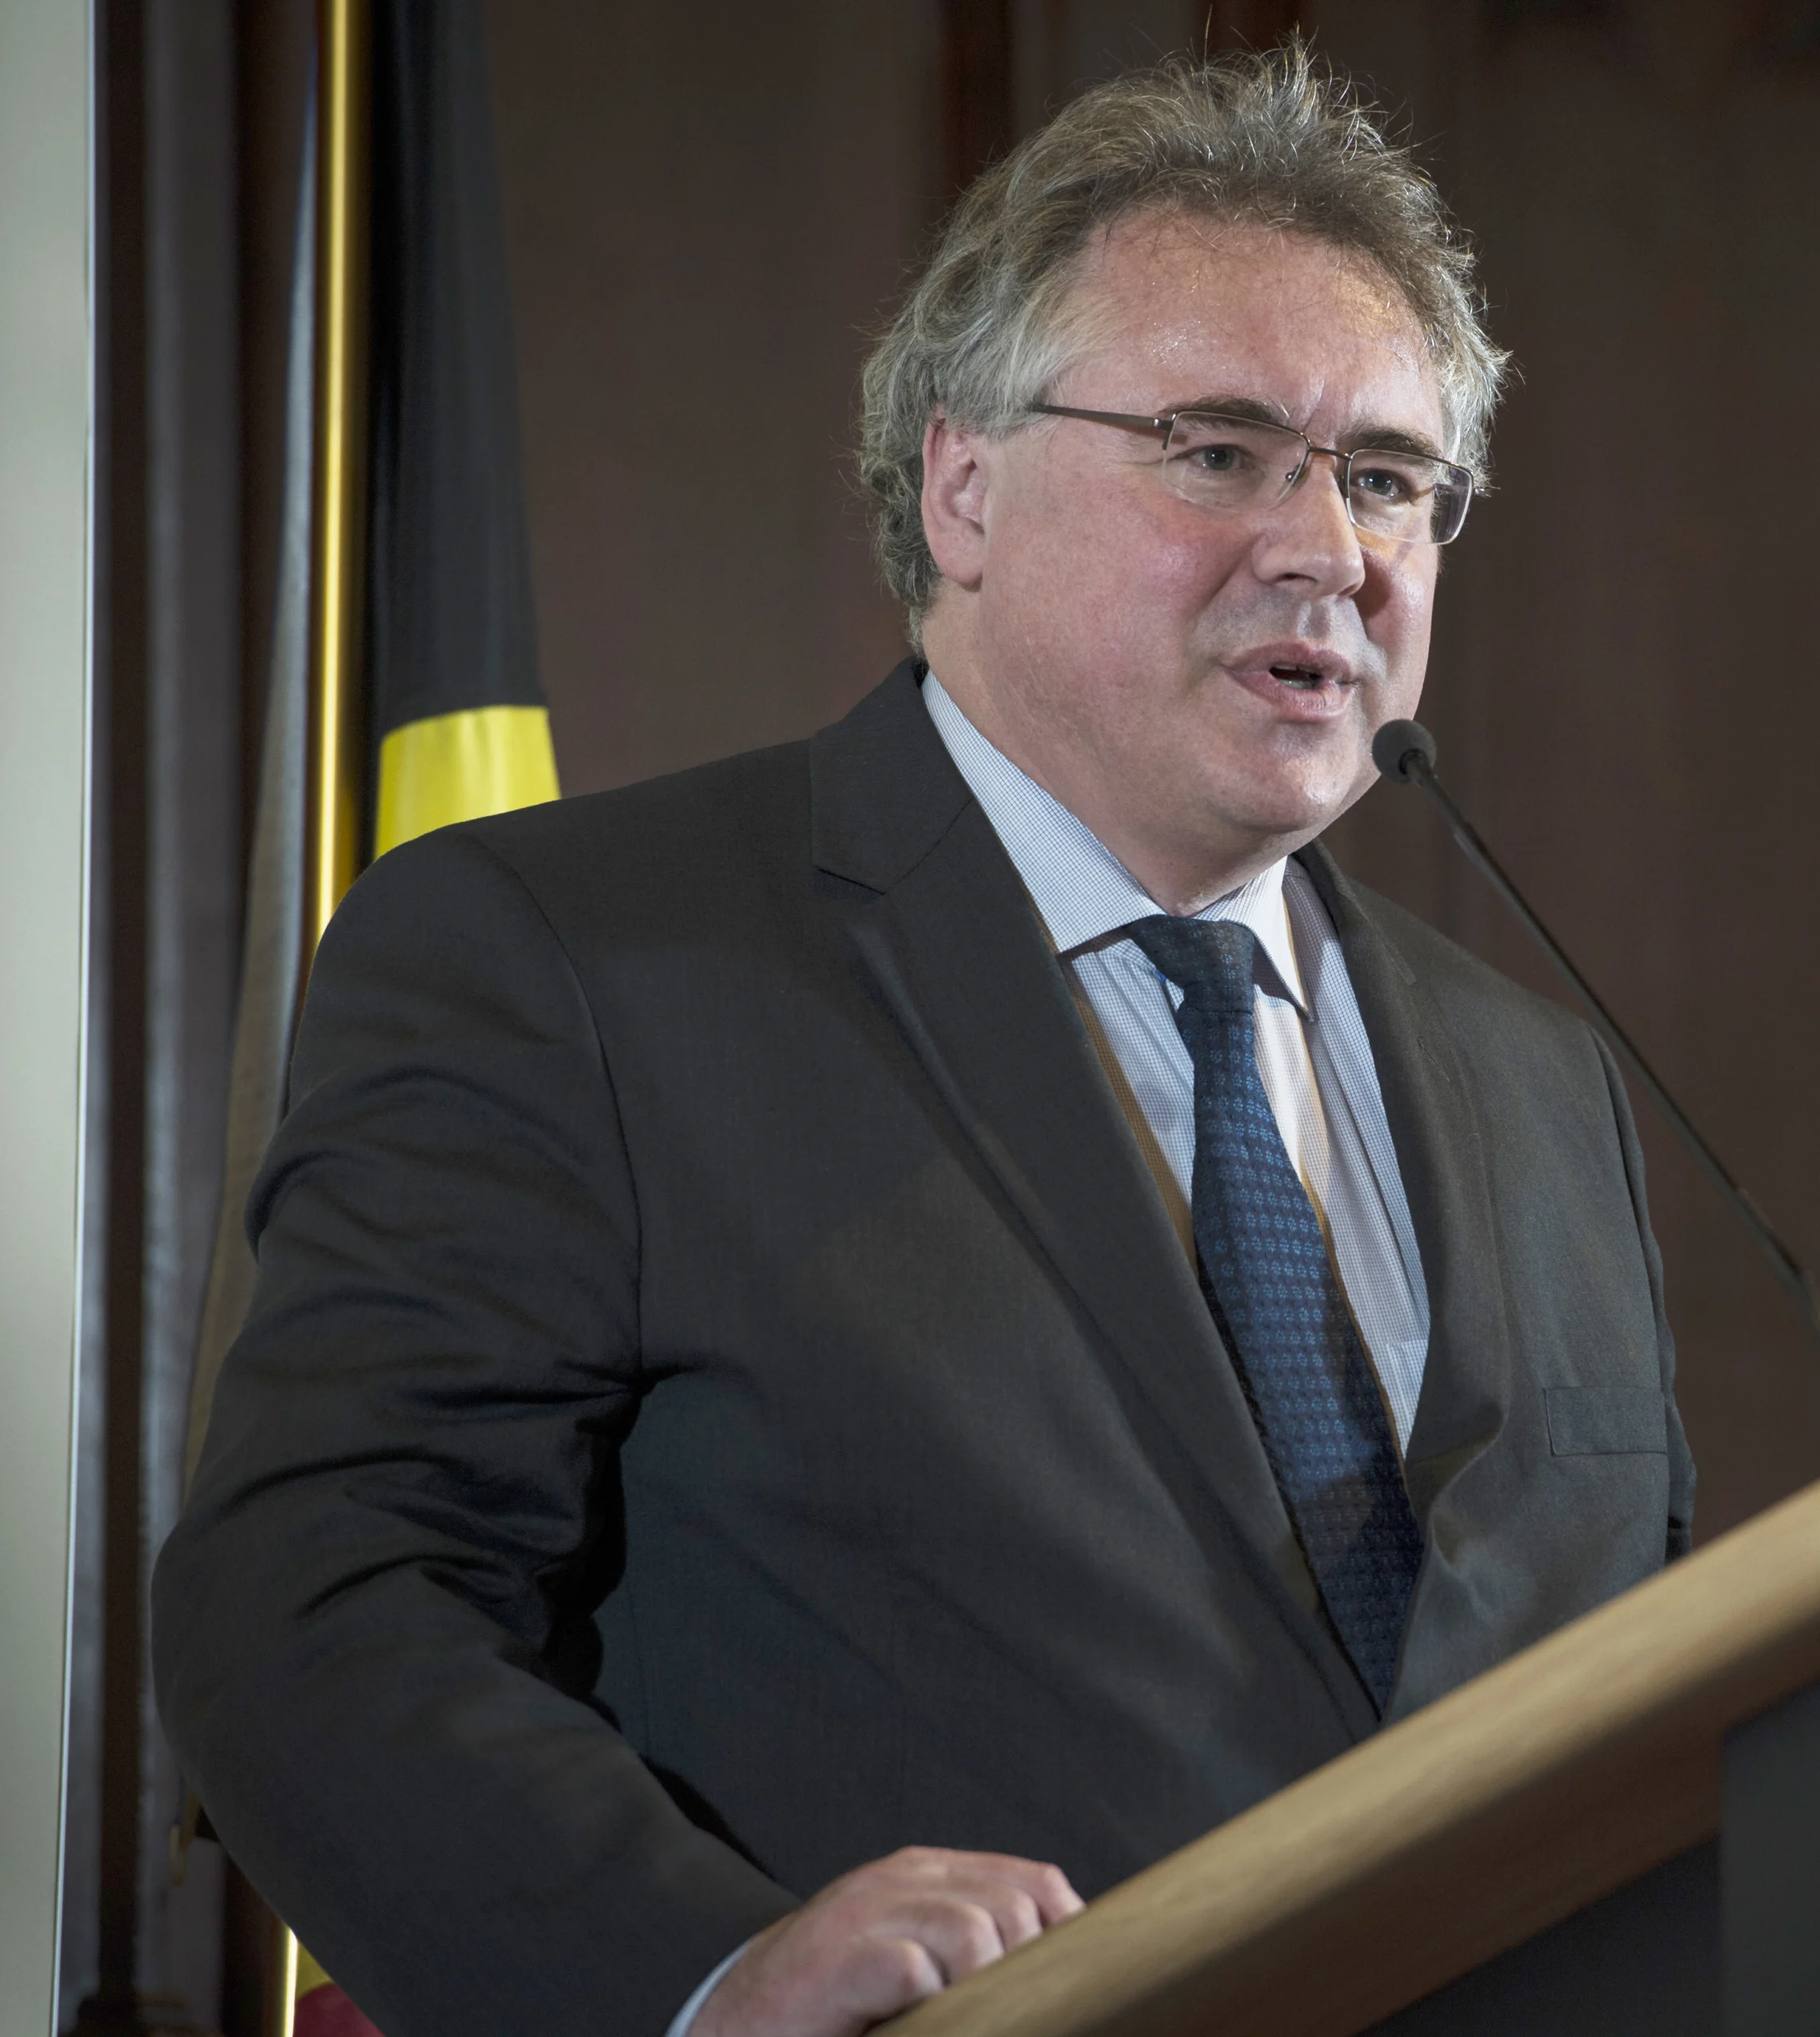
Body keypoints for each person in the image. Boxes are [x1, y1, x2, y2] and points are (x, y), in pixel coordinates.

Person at [155, 47, 1693, 2037]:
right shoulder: (576, 959)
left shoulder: (1545, 1084)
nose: (1334, 546)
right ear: (963, 488)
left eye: (1390, 476)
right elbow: (314, 1601)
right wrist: (702, 1971)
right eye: (1221, 451)